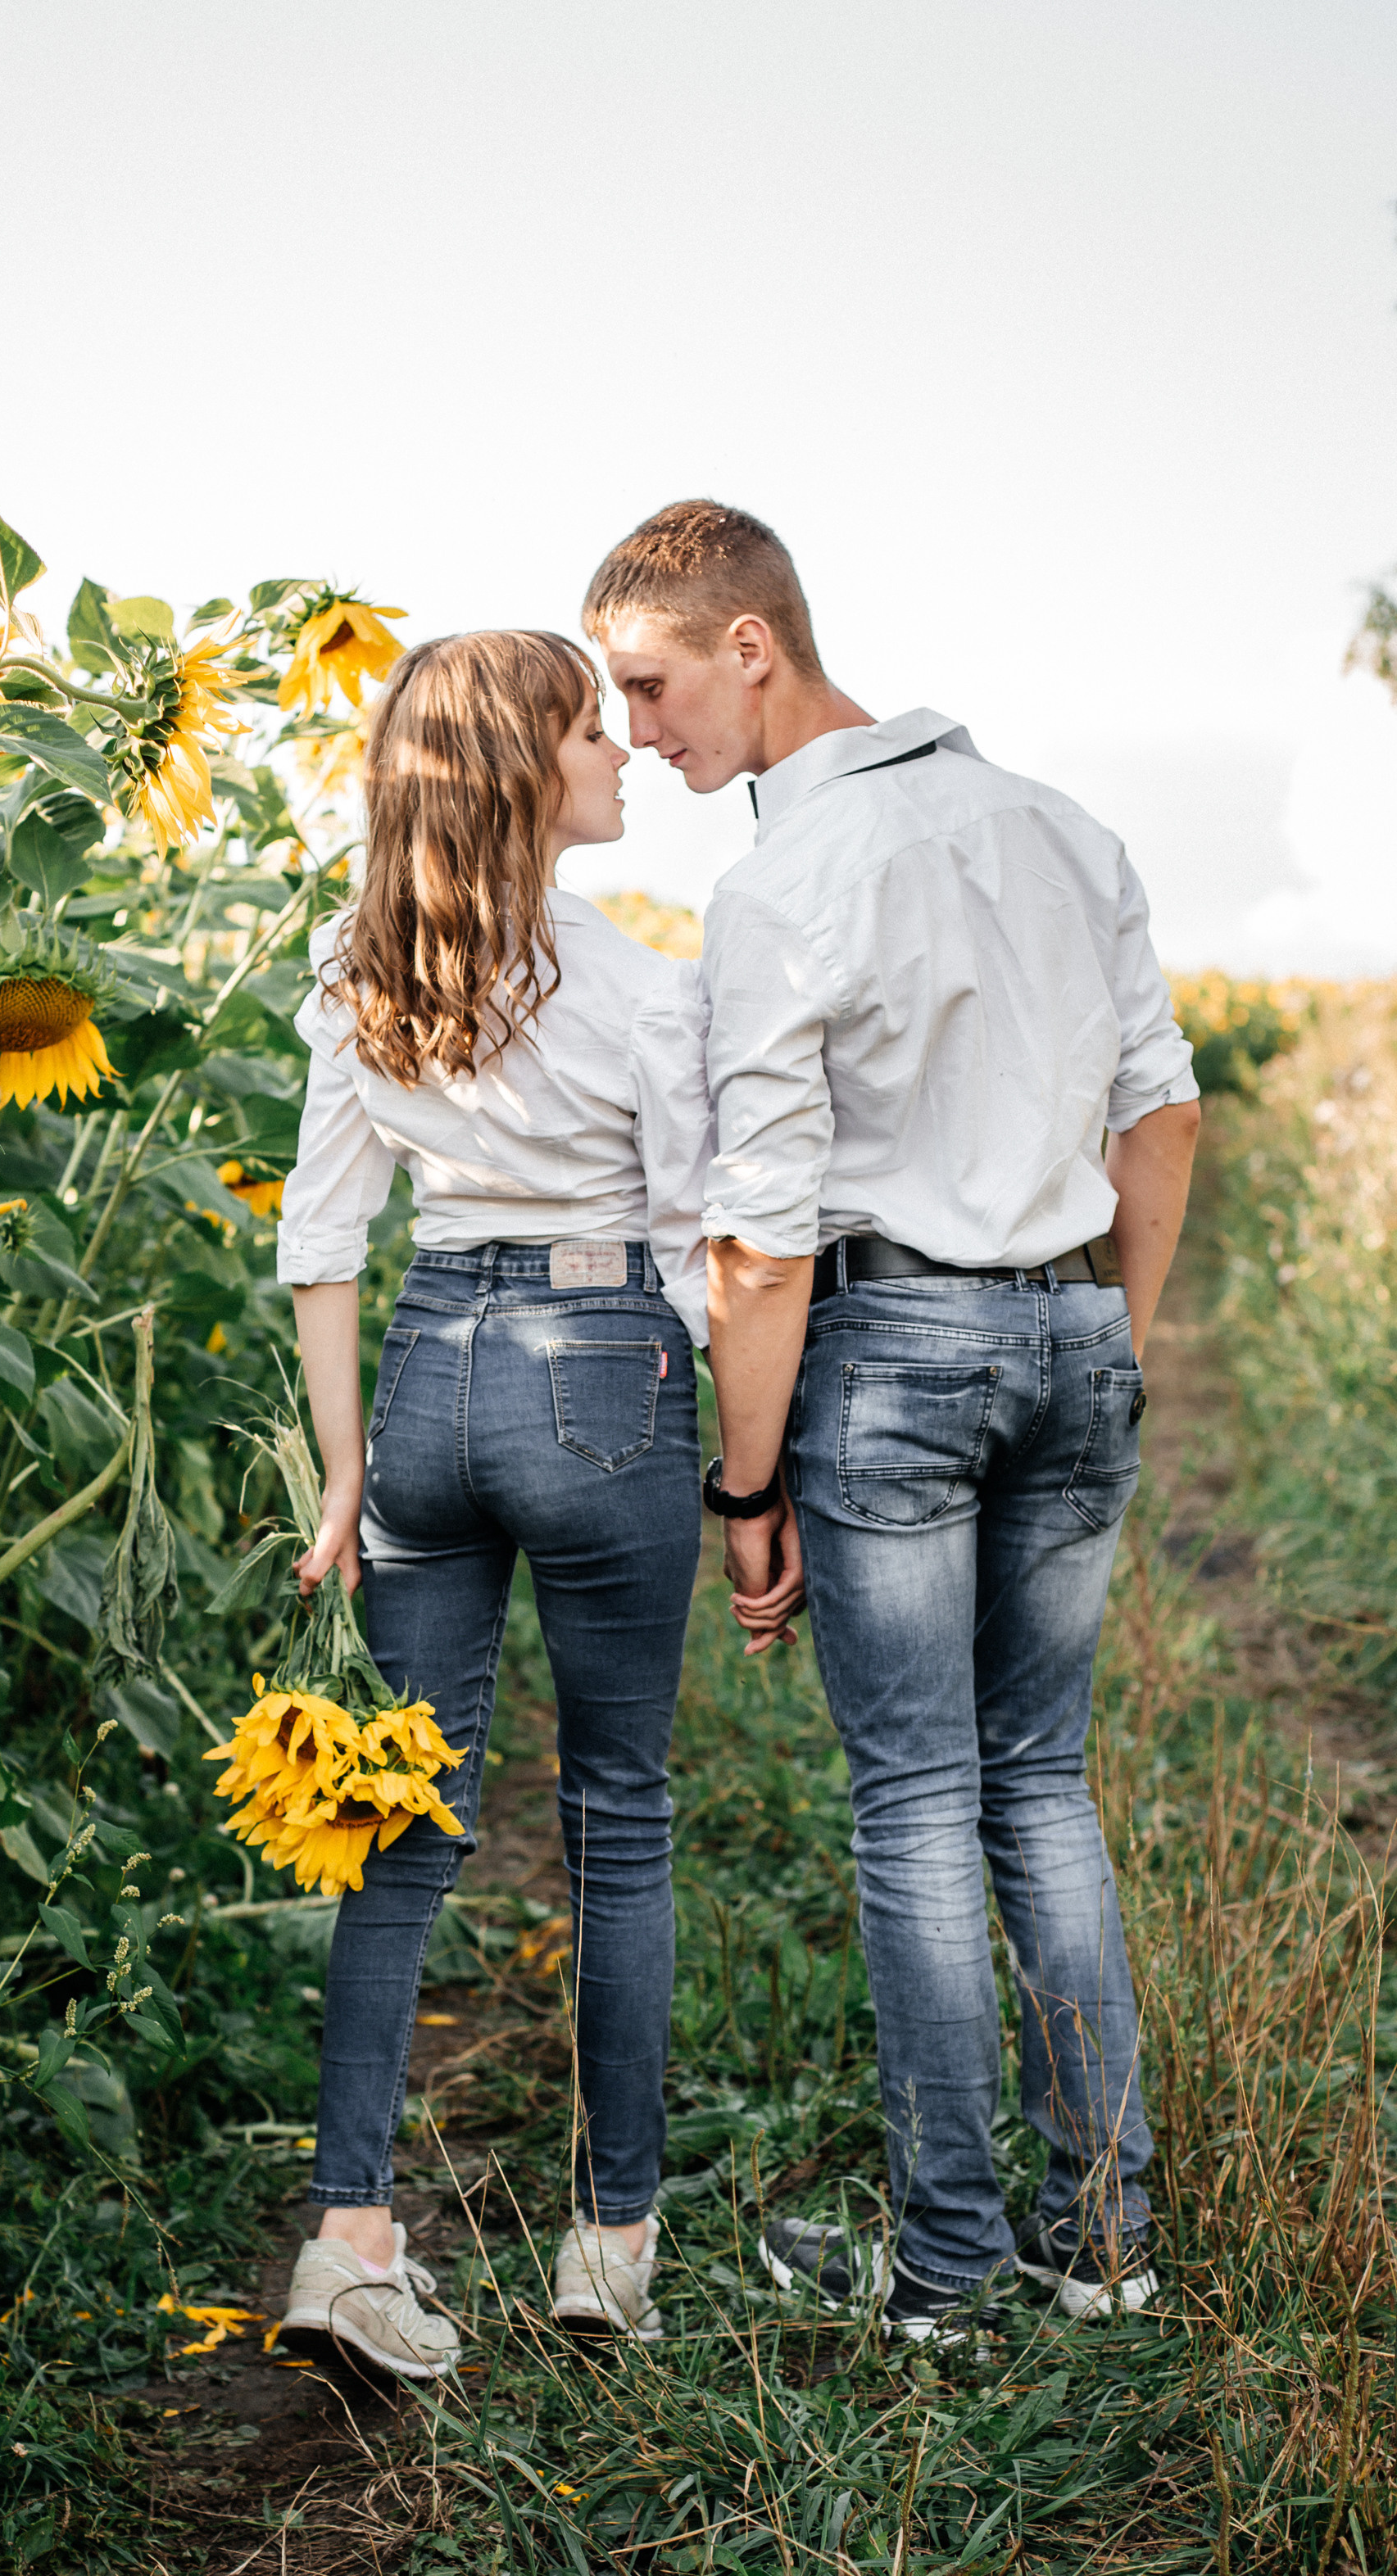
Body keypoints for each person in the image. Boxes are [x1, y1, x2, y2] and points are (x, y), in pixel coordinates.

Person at [583, 501, 1200, 2353]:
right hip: (1077, 1329)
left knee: (917, 1798)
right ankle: (1104, 2248)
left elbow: (765, 1243)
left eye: (653, 681)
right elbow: (1161, 1128)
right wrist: (1102, 1351)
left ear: (752, 643)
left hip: (891, 1358)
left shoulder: (785, 881)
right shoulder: (1061, 826)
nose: (642, 729)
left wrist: (745, 1485)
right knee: (1041, 1788)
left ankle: (945, 2266)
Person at [273, 628, 714, 2379]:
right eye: (590, 732)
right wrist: (731, 1458)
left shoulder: (357, 970)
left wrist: (344, 1470)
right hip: (605, 1359)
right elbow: (692, 1250)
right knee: (620, 1813)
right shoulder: (639, 987)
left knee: (397, 1818)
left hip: (428, 1370)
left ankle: (351, 2241)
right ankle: (609, 2246)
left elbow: (322, 1242)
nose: (617, 755)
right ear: (530, 775)